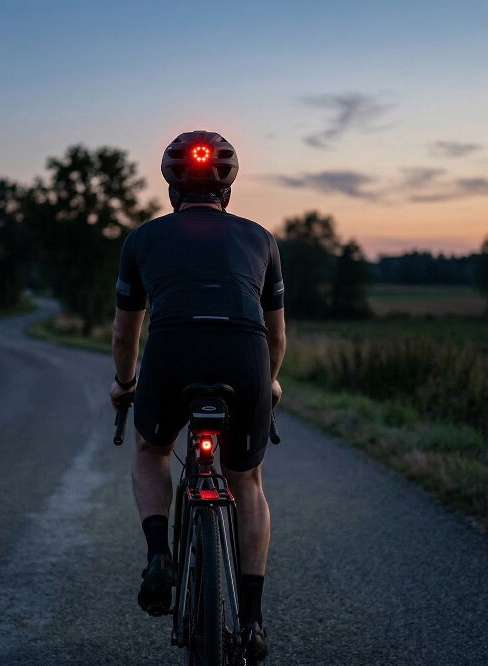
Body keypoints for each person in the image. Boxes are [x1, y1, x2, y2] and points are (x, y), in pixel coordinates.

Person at [109, 130, 286, 662]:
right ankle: (251, 621)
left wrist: (125, 385)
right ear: (228, 188)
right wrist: (270, 380)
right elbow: (276, 337)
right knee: (247, 480)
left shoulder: (142, 239)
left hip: (171, 353)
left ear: (171, 188)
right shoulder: (261, 239)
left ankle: (159, 554)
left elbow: (125, 334)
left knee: (151, 450)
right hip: (245, 356)